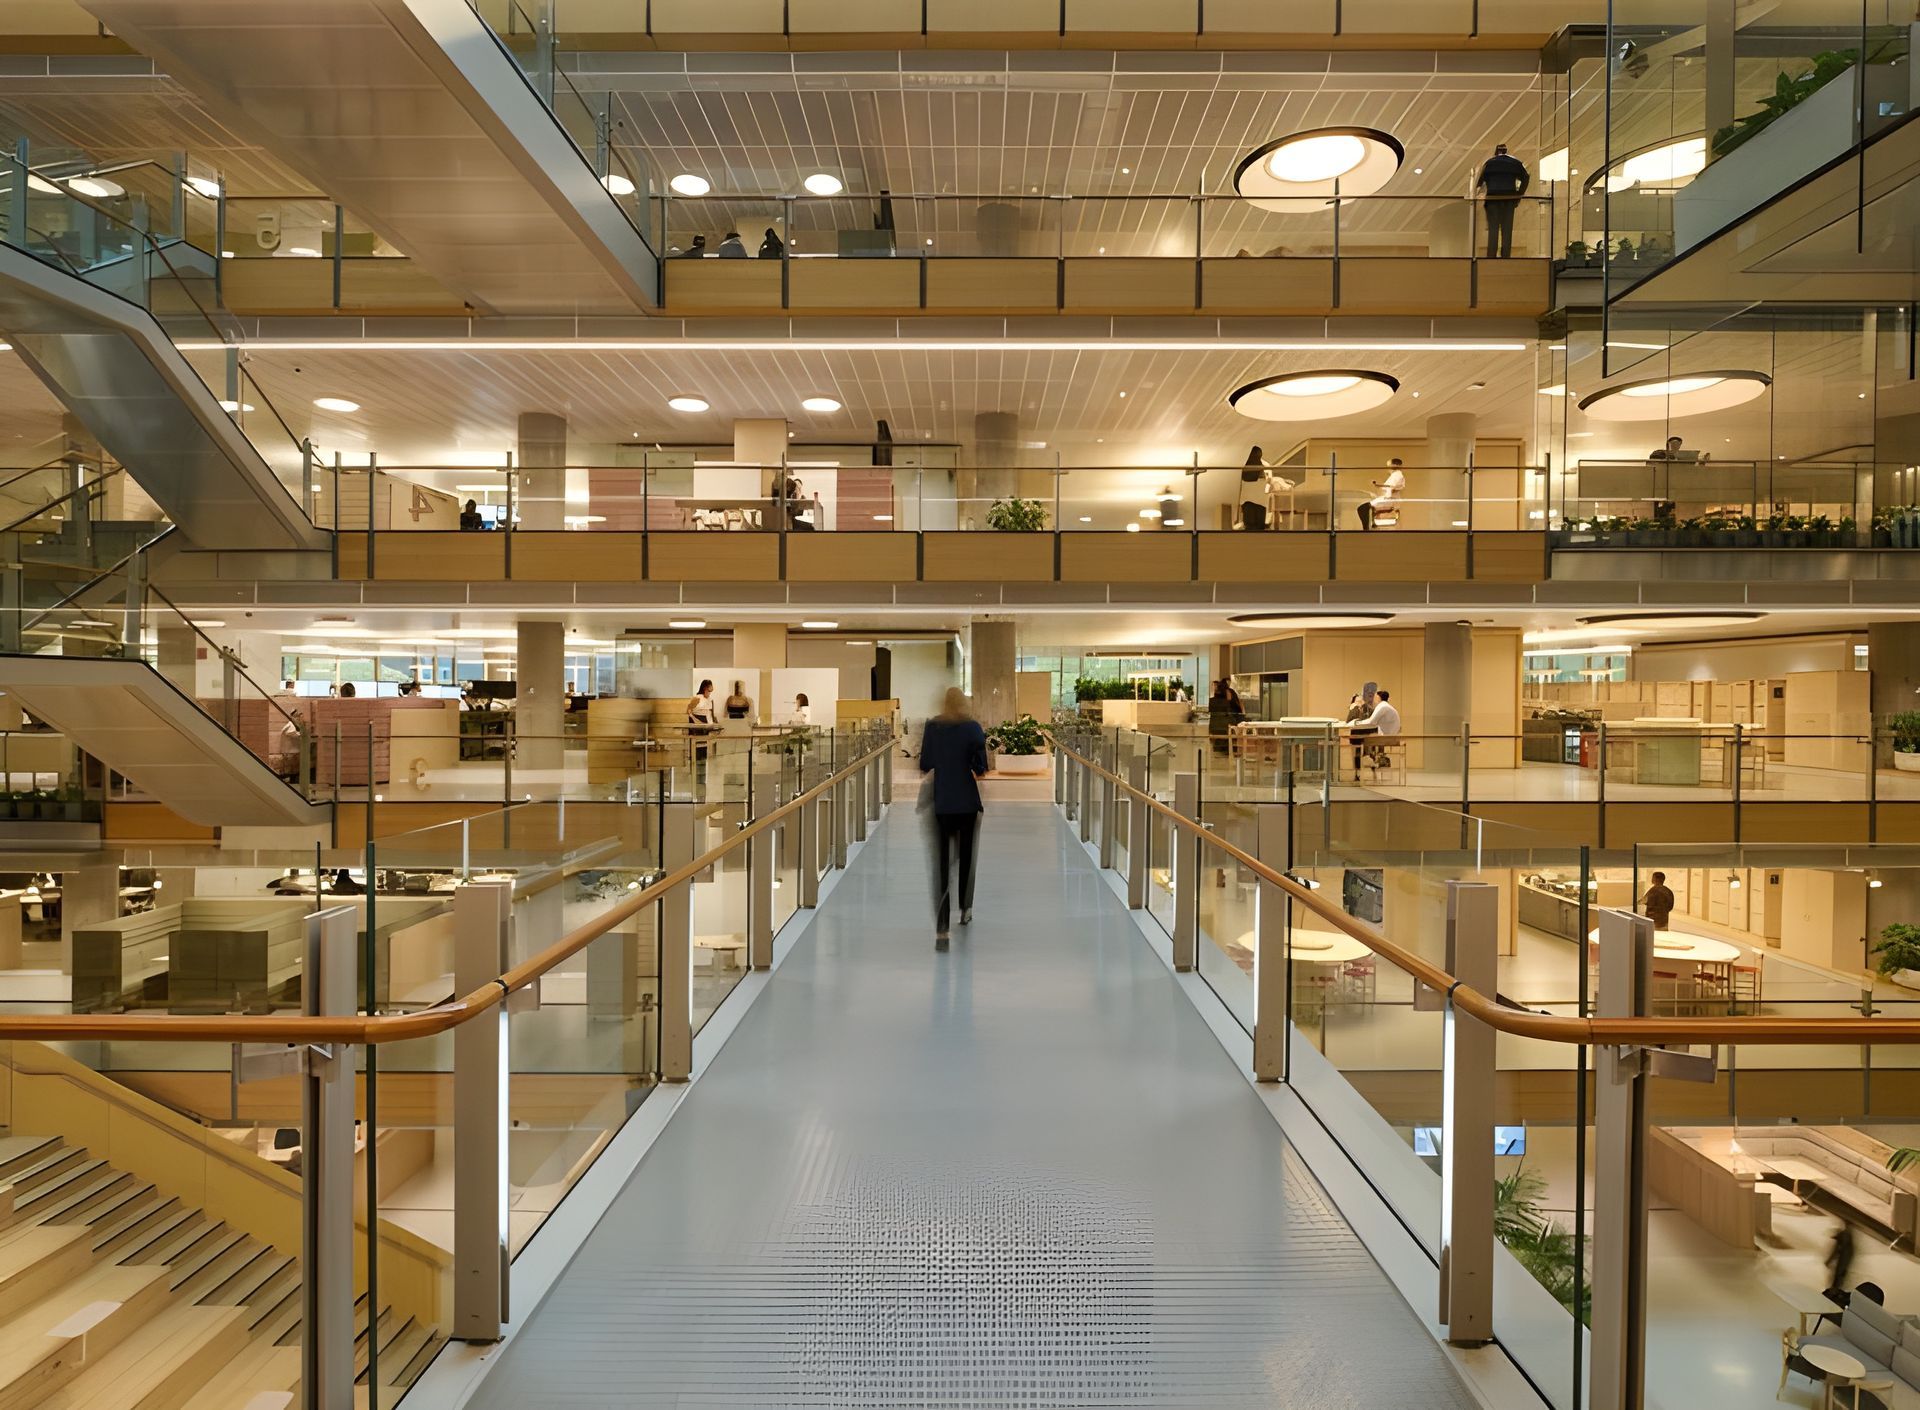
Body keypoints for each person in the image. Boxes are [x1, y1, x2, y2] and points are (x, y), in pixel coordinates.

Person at [920, 687, 987, 948]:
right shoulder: (972, 727)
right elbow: (981, 767)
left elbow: (926, 763)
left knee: (942, 863)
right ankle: (966, 908)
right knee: (967, 857)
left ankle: (942, 925)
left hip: (942, 802)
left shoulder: (933, 727)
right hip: (968, 803)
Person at [1475, 143, 1531, 258]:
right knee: (1507, 230)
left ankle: (1491, 256)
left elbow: (1479, 183)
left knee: (1493, 230)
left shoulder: (1489, 163)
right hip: (1509, 199)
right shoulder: (1515, 163)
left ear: (1496, 152)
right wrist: (1519, 194)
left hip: (1492, 200)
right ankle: (1506, 256)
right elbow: (1526, 177)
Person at [1357, 459, 1405, 530]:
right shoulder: (1395, 475)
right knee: (1365, 508)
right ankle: (1370, 526)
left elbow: (1393, 487)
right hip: (1388, 499)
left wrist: (1387, 495)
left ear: (1395, 465)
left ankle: (1366, 528)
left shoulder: (1398, 475)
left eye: (1389, 465)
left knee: (1362, 508)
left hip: (1389, 500)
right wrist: (1378, 485)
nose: (1387, 467)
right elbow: (1390, 486)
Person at [1239, 446, 1269, 531]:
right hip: (1260, 500)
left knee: (1250, 525)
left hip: (1247, 500)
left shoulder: (1245, 465)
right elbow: (1263, 482)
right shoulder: (1262, 466)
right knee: (1259, 526)